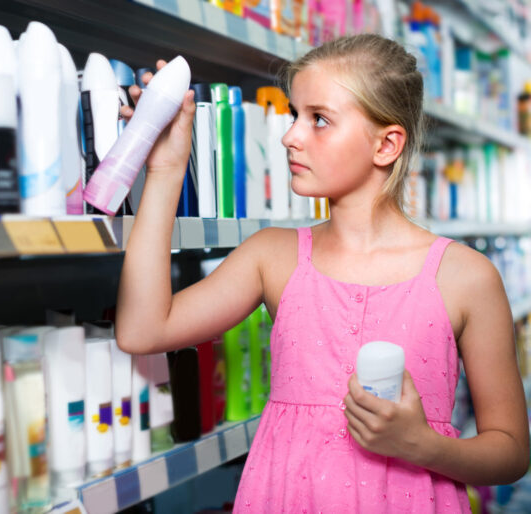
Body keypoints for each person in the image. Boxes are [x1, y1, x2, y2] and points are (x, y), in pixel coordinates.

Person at [115, 34, 529, 513]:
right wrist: (166, 171)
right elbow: (143, 329)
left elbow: (512, 451)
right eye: (295, 116)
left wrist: (423, 445)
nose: (291, 135)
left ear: (386, 144)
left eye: (319, 119)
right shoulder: (274, 256)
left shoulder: (465, 277)